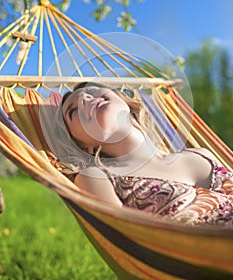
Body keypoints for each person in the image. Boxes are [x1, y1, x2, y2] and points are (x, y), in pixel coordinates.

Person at [50, 82, 233, 227]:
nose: (85, 97)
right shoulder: (96, 178)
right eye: (72, 111)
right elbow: (127, 242)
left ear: (125, 102)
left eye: (92, 90)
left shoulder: (202, 154)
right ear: (83, 145)